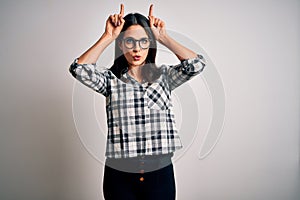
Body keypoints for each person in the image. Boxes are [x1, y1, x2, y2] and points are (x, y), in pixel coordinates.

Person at [69, 4, 206, 200]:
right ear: (121, 45)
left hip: (160, 174)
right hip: (119, 176)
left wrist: (163, 37)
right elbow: (78, 69)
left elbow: (197, 64)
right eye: (130, 41)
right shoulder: (110, 80)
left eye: (143, 41)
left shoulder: (164, 77)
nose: (136, 49)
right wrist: (108, 36)